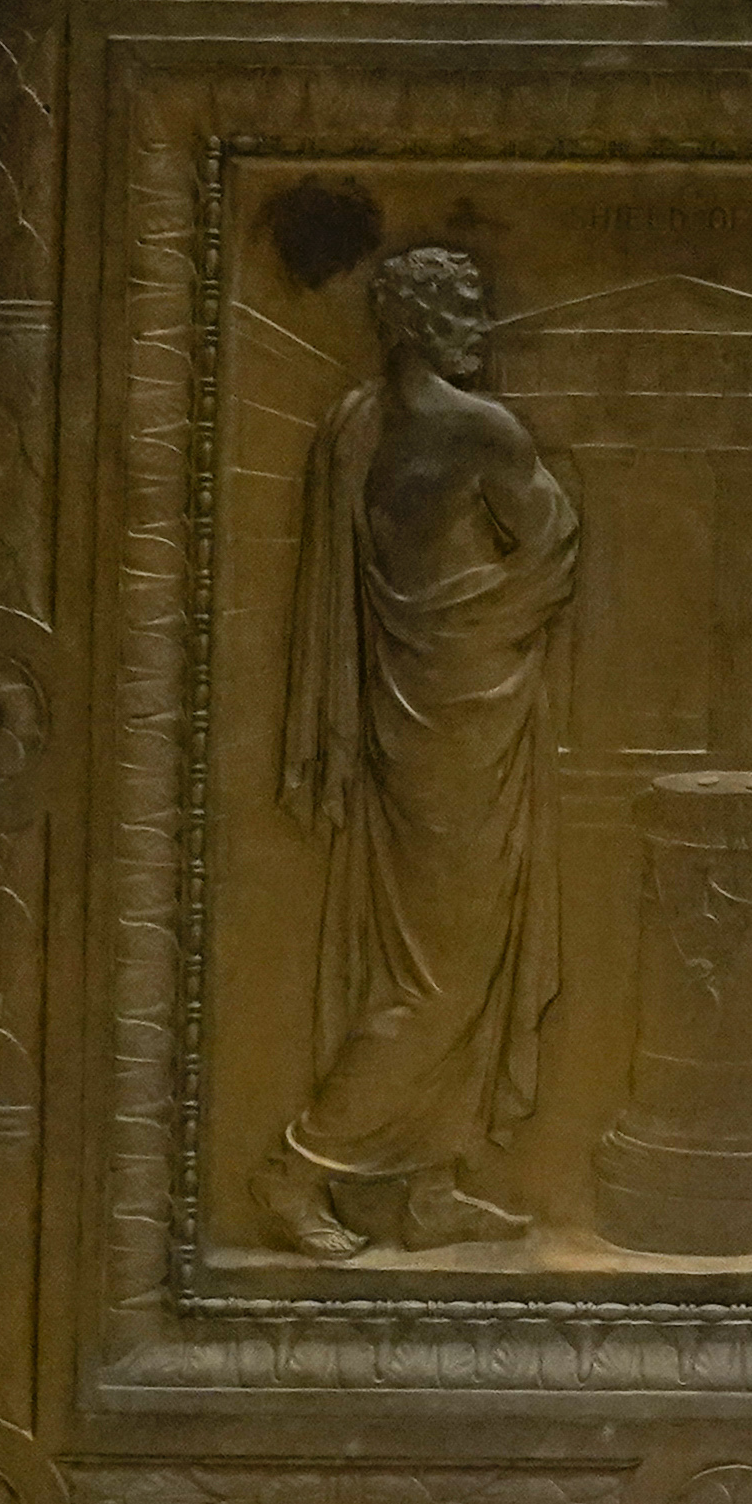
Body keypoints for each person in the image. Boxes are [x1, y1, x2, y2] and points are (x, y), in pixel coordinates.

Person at [270, 245, 582, 1257]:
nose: (480, 326)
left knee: (430, 956)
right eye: (465, 309)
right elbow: (551, 547)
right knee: (444, 971)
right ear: (421, 322)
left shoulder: (351, 421)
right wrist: (488, 626)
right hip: (460, 711)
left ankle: (430, 1180)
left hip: (407, 708)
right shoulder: (475, 425)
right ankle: (296, 1162)